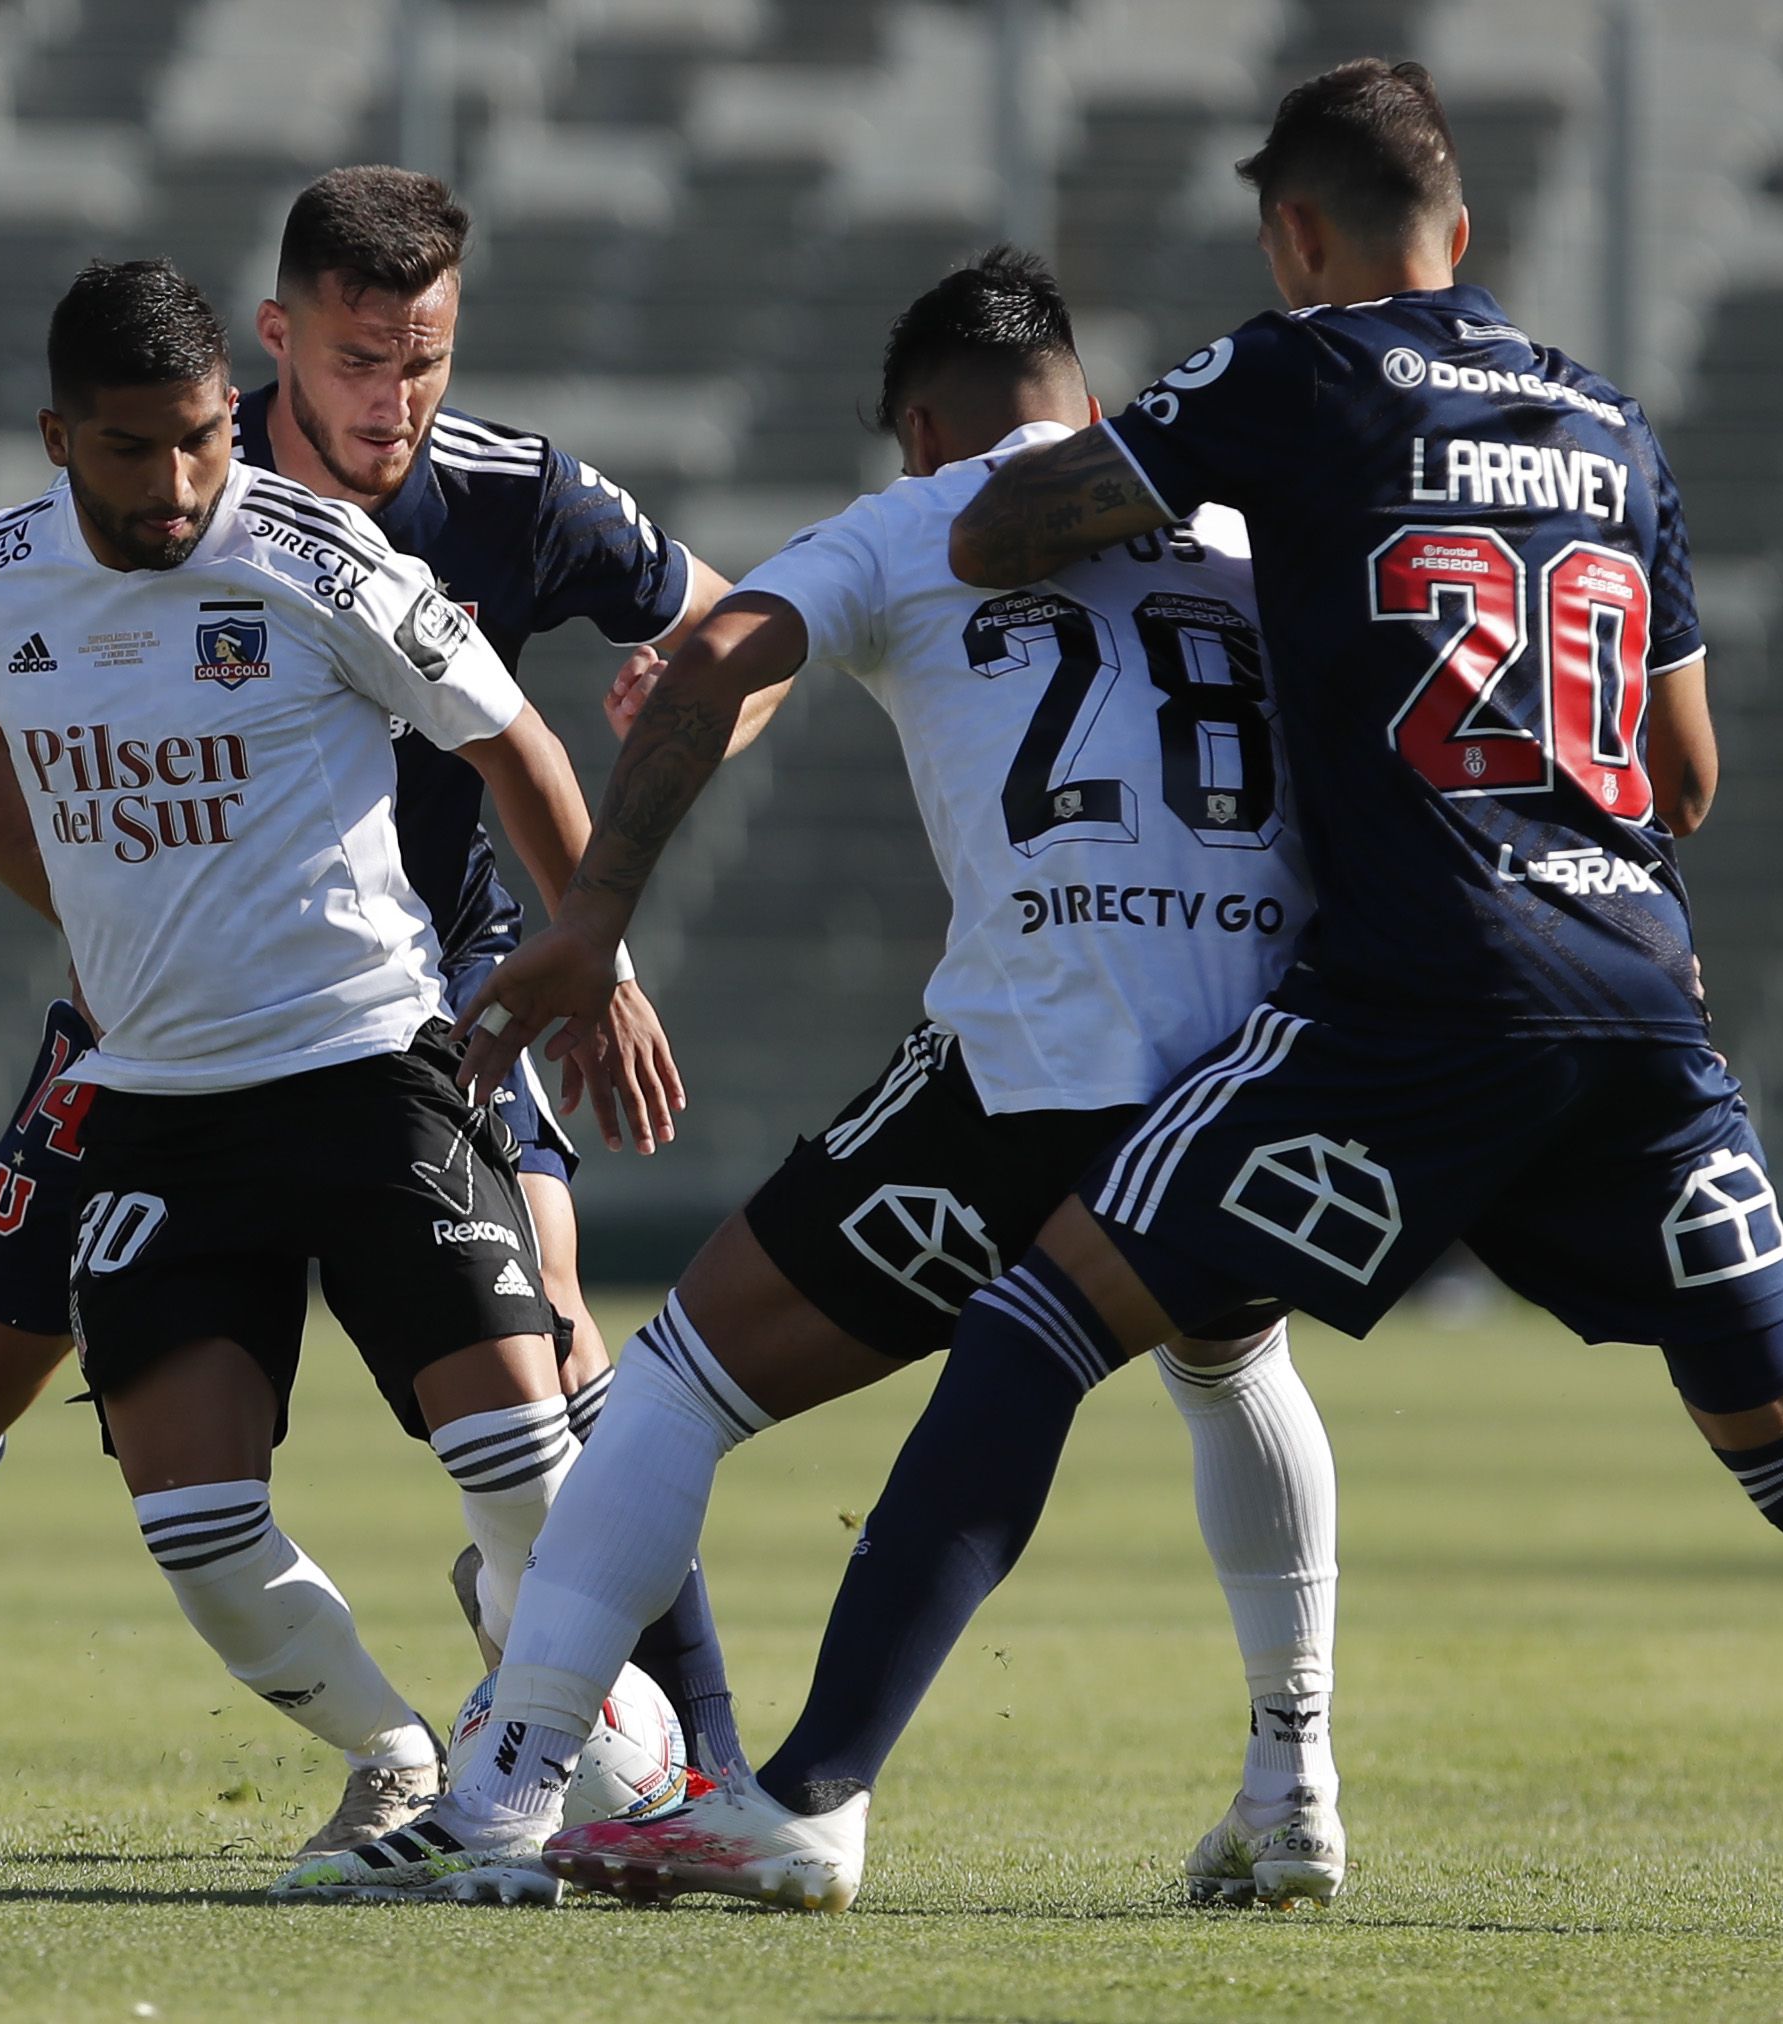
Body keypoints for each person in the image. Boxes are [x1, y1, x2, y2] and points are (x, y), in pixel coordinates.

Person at [530, 61, 1783, 1948]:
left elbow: (998, 534)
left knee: (1037, 1320)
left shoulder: (1297, 373)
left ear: (1295, 237)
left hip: (1420, 992)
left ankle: (803, 1799)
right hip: (1640, 992)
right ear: (1463, 231)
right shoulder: (1615, 432)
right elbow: (1689, 767)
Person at [0, 169, 753, 1851]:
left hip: (396, 1032)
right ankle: (336, 1752)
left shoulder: (373, 537)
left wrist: (596, 943)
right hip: (153, 1072)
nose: (183, 483)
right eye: (137, 448)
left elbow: (559, 720)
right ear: (70, 434)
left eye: (425, 362)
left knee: (543, 1400)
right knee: (60, 1441)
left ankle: (663, 1768)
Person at [279, 250, 1345, 1909]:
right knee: (1229, 1357)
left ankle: (505, 1799)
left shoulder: (917, 518)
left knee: (686, 1378)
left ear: (922, 427)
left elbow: (719, 653)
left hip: (1034, 1064)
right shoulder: (1240, 536)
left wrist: (600, 913)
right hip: (1248, 1073)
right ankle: (1295, 1779)